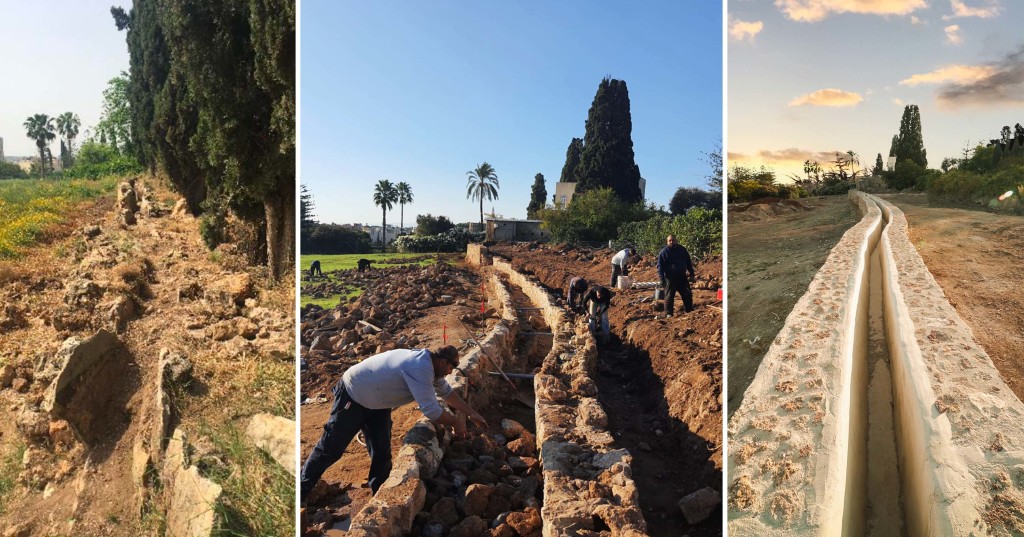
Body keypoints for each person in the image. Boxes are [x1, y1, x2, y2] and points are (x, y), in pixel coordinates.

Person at [300, 346, 487, 500]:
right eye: (452, 367)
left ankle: (379, 496)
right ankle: (301, 491)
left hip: (378, 401)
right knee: (331, 448)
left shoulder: (433, 369)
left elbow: (447, 393)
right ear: (443, 361)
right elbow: (431, 411)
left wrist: (471, 413)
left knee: (381, 450)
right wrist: (455, 422)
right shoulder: (420, 367)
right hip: (354, 393)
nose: (451, 372)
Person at [657, 234, 696, 317]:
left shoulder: (682, 250)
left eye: (673, 240)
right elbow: (660, 267)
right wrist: (662, 279)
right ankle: (668, 314)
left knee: (687, 294)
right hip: (670, 278)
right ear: (667, 242)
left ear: (676, 240)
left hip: (682, 276)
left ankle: (689, 310)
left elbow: (688, 262)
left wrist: (692, 273)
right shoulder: (664, 252)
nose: (672, 242)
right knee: (669, 296)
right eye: (670, 241)